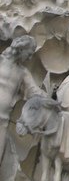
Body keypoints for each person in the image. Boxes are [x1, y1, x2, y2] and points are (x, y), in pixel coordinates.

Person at [0, 35, 42, 167]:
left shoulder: (22, 72)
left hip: (3, 119)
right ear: (21, 49)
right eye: (29, 54)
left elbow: (35, 92)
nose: (29, 59)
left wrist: (52, 98)